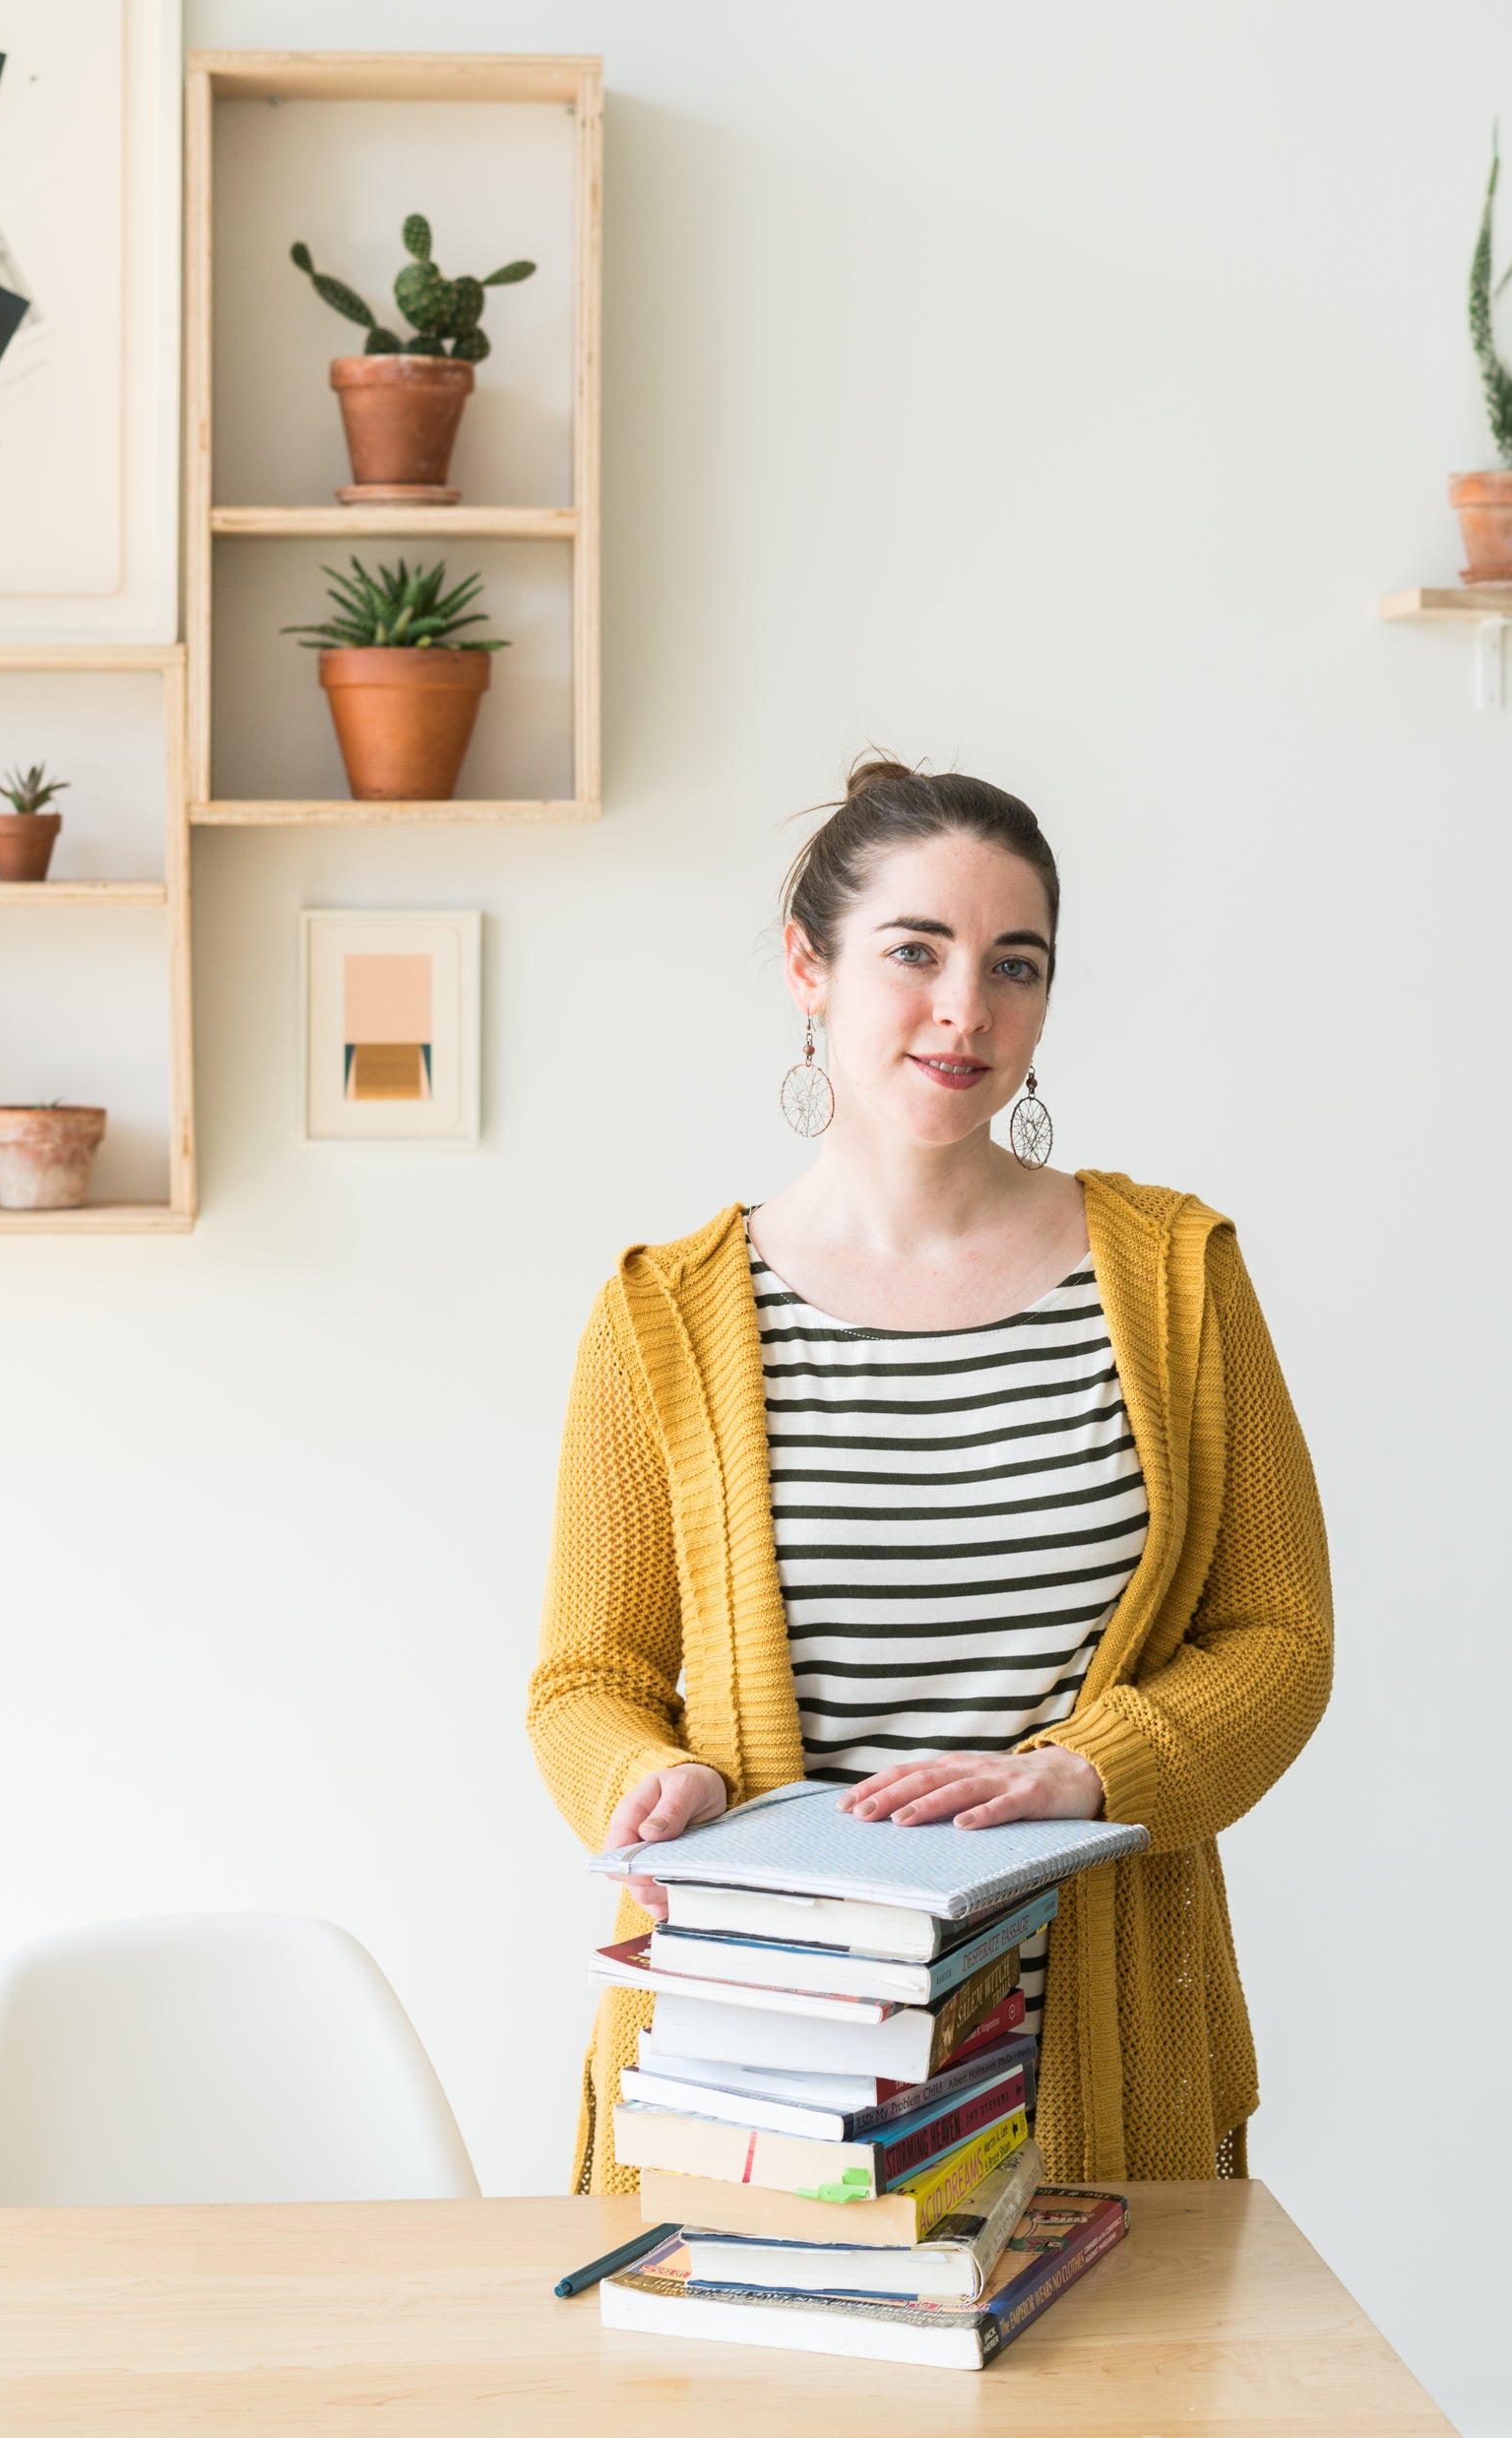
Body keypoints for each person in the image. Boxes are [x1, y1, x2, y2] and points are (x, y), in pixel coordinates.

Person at [528, 757, 1333, 2196]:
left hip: (1094, 2040)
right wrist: (645, 1780)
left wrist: (1089, 1772)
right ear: (806, 968)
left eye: (1013, 965)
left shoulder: (1173, 1277)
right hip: (756, 2055)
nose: (967, 1009)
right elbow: (587, 1673)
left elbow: (1279, 1640)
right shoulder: (663, 1315)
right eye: (915, 952)